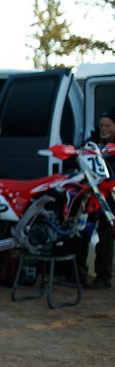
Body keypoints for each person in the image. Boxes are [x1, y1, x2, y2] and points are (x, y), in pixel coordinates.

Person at [76, 110, 114, 289]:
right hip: (89, 195)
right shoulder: (91, 143)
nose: (103, 129)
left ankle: (103, 276)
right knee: (82, 234)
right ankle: (78, 274)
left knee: (105, 237)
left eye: (108, 126)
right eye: (101, 126)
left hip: (109, 196)